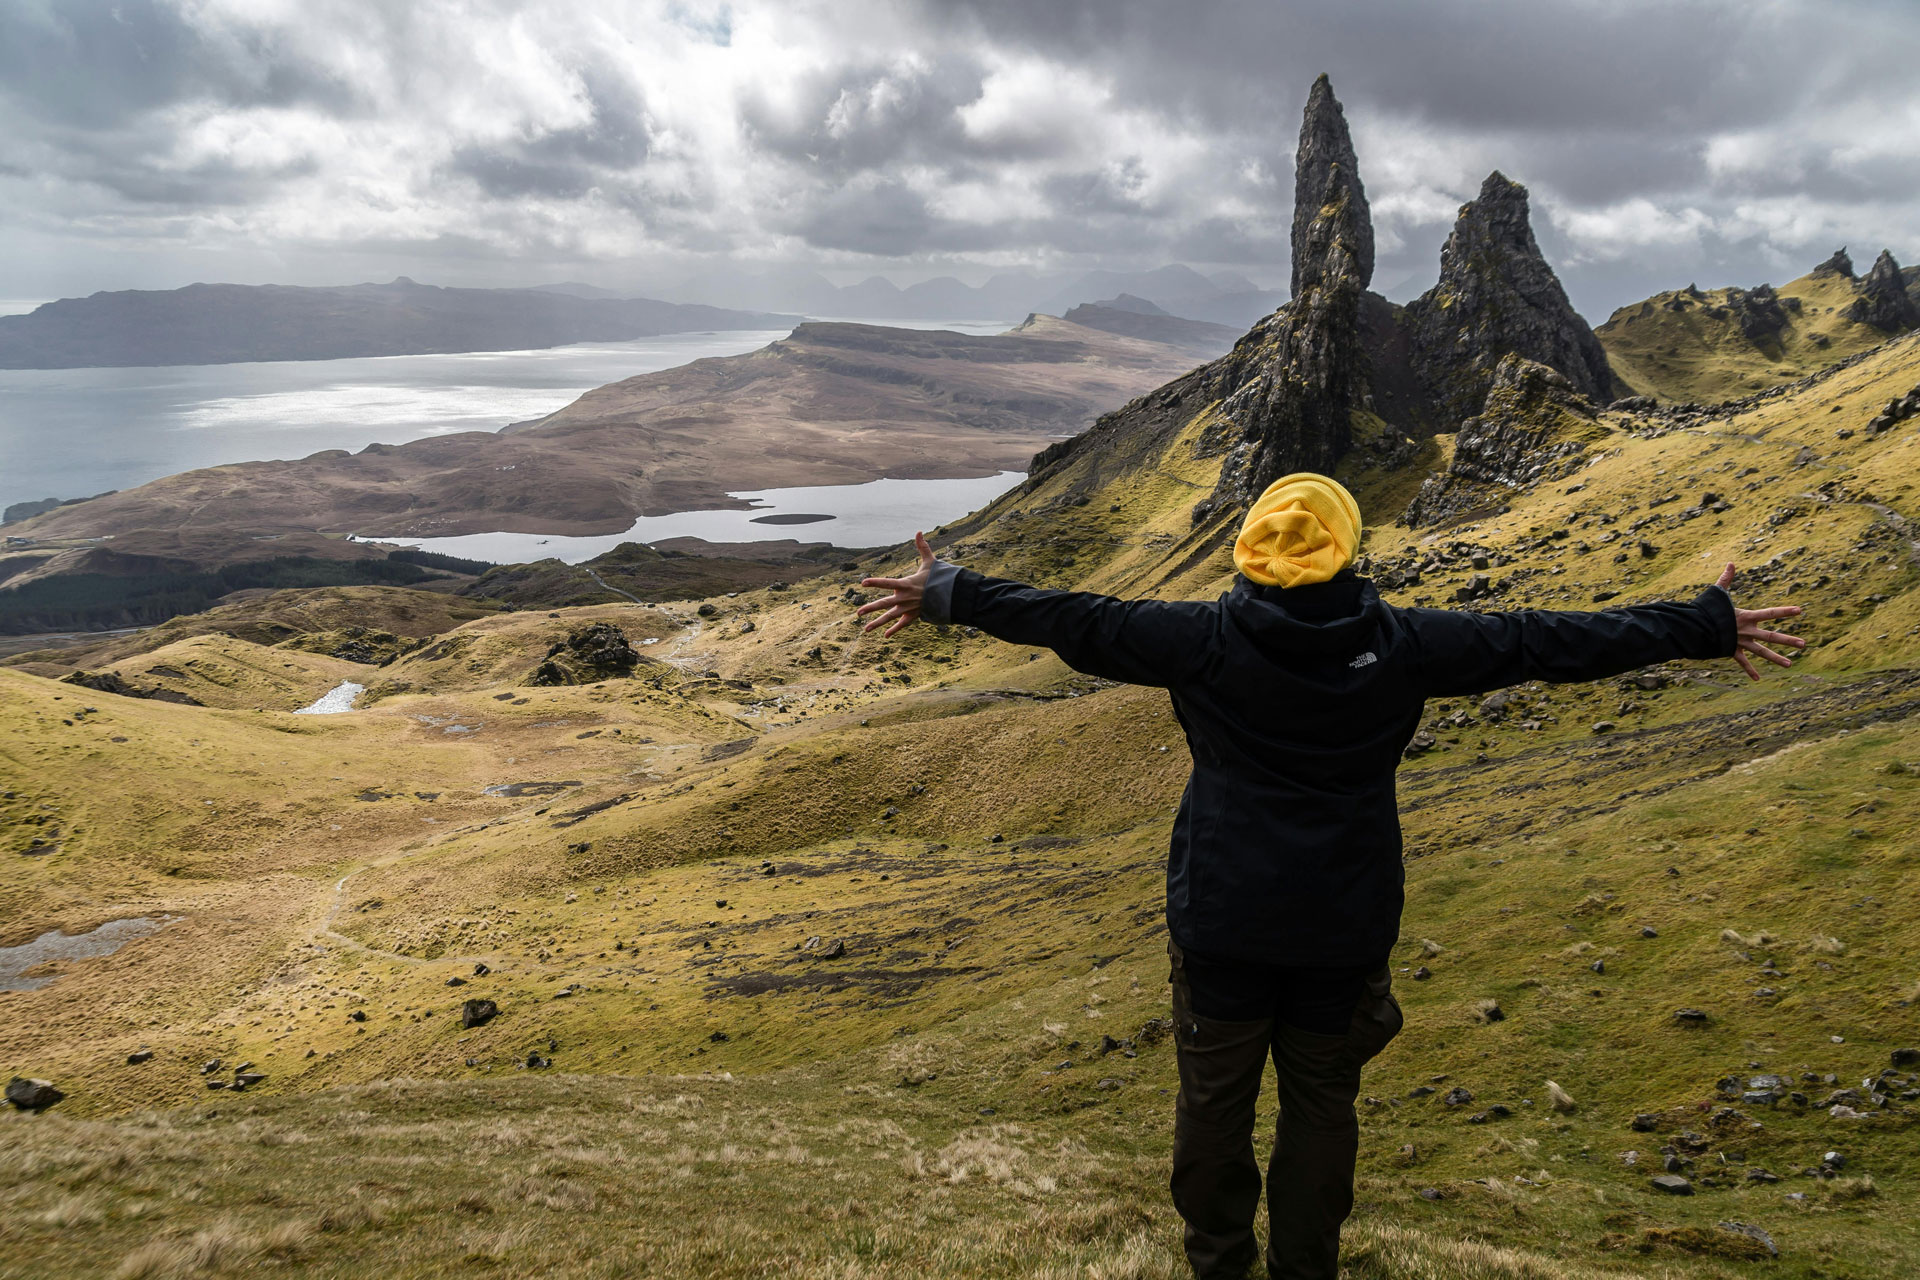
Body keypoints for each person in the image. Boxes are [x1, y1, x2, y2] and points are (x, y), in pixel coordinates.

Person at [854, 473, 1804, 1280]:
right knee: (1321, 1105)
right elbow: (1546, 640)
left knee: (1213, 1107)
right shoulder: (1406, 644)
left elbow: (1076, 621)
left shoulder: (1201, 641)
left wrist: (950, 592)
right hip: (1344, 923)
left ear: (1246, 554)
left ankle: (1220, 1264)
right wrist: (1703, 622)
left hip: (1223, 918)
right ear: (1346, 551)